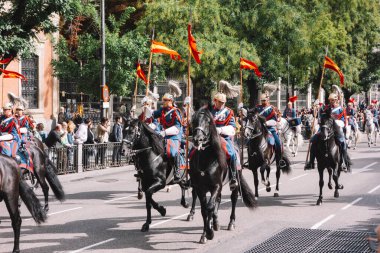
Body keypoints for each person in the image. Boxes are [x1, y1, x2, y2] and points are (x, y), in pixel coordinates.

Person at [305, 93, 350, 171]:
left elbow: (343, 119)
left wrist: (338, 123)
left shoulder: (341, 109)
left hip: (336, 127)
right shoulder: (325, 108)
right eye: (330, 100)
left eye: (333, 100)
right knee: (313, 140)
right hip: (326, 127)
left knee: (343, 143)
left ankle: (343, 162)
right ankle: (311, 162)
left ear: (336, 100)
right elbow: (321, 116)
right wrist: (316, 110)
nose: (331, 102)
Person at [209, 92, 240, 190]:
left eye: (223, 102)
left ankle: (233, 177)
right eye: (220, 102)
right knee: (194, 151)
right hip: (209, 137)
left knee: (232, 154)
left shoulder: (228, 112)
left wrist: (220, 130)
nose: (222, 104)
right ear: (215, 101)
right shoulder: (209, 110)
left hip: (223, 137)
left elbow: (232, 128)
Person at [152, 93, 183, 183]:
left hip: (174, 136)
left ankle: (177, 172)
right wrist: (146, 105)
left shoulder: (176, 111)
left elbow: (177, 128)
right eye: (163, 100)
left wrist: (165, 132)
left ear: (171, 101)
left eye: (165, 100)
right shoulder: (162, 110)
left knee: (173, 152)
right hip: (163, 135)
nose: (163, 102)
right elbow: (152, 115)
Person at [256, 93, 287, 169]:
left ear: (267, 100)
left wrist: (267, 123)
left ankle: (280, 160)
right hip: (260, 130)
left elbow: (275, 120)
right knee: (250, 142)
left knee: (278, 143)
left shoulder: (272, 108)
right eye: (262, 100)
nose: (263, 102)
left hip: (270, 129)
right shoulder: (258, 108)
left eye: (264, 100)